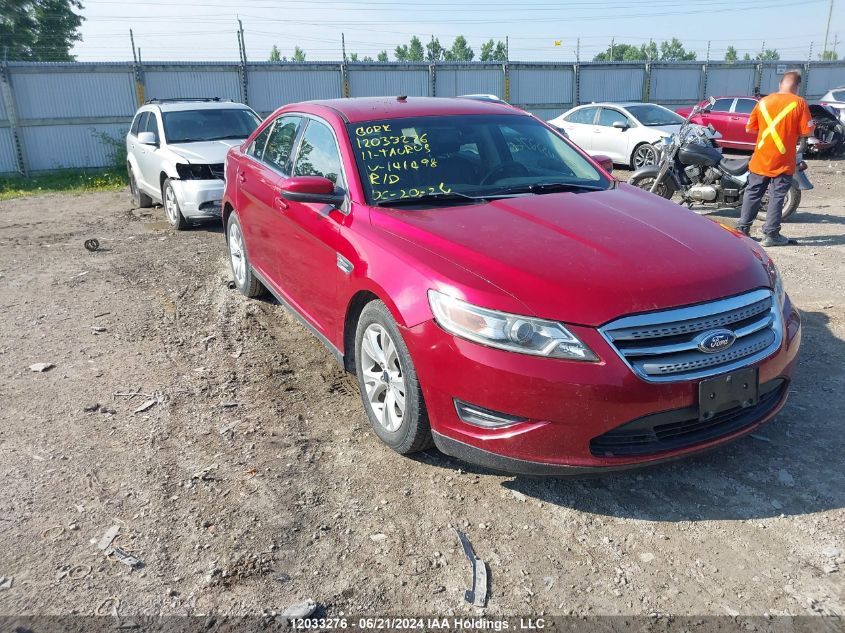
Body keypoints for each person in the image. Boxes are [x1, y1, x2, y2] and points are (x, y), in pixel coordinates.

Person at [736, 70, 814, 246]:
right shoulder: (799, 103)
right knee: (777, 195)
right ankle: (771, 235)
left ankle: (743, 230)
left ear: (780, 84)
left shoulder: (763, 102)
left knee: (753, 192)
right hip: (783, 159)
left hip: (761, 156)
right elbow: (808, 131)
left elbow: (750, 128)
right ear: (797, 86)